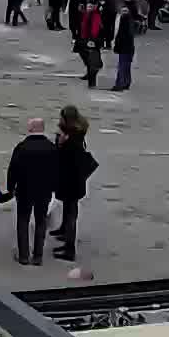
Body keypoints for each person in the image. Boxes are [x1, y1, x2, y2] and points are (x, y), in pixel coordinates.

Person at [6, 119, 59, 265]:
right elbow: (58, 171)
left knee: (23, 221)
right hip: (44, 192)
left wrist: (11, 188)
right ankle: (38, 256)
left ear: (31, 129)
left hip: (24, 191)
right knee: (41, 222)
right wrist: (54, 188)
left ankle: (24, 256)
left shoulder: (22, 147)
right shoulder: (52, 148)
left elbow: (13, 170)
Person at [51, 107, 96, 262]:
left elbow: (63, 158)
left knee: (71, 215)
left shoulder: (73, 140)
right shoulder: (76, 133)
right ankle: (64, 232)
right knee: (69, 210)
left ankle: (69, 250)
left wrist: (61, 144)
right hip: (74, 182)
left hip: (71, 182)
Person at [74, 2, 105, 87]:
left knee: (94, 62)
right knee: (87, 58)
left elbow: (95, 29)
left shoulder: (95, 16)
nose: (89, 8)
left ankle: (92, 82)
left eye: (91, 6)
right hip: (84, 40)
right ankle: (90, 76)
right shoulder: (86, 14)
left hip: (92, 41)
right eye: (88, 6)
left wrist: (92, 40)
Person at [108, 4, 138, 92]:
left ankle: (119, 84)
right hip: (129, 48)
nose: (124, 13)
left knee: (122, 66)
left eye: (125, 11)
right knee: (126, 66)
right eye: (123, 11)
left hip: (125, 47)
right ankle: (126, 83)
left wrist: (117, 46)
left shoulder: (124, 20)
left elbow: (121, 36)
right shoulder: (129, 20)